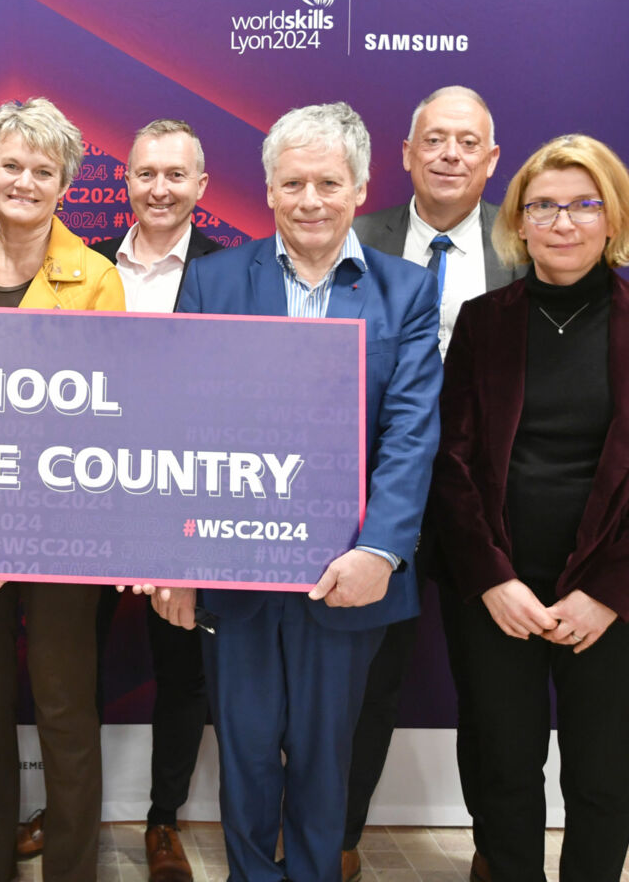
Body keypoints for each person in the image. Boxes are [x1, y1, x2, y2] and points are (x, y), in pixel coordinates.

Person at [163, 102, 441, 882]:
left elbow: (411, 435)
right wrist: (177, 560)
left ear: (359, 189)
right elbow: (182, 428)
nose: (310, 199)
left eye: (328, 182)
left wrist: (380, 550)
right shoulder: (215, 281)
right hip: (235, 571)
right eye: (293, 183)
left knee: (326, 759)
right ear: (269, 191)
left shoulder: (406, 292)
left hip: (349, 575)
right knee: (247, 752)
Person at [432, 134, 629, 882]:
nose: (563, 222)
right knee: (505, 771)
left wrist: (608, 594)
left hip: (609, 598)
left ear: (611, 218)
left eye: (584, 204)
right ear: (518, 221)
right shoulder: (485, 322)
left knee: (604, 776)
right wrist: (492, 579)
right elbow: (450, 465)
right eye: (544, 206)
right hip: (500, 589)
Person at [0, 96, 124, 882]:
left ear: (65, 186)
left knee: (63, 710)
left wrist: (28, 524)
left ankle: (72, 871)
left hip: (61, 528)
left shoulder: (100, 278)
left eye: (41, 170)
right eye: (10, 165)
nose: (23, 181)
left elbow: (103, 418)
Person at [345, 85, 522, 882]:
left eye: (467, 142)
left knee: (494, 693)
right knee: (362, 683)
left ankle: (499, 850)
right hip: (381, 497)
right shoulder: (354, 237)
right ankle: (338, 840)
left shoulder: (527, 243)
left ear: (492, 161)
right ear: (407, 153)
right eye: (435, 140)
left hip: (493, 507)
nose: (450, 153)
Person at [92, 119, 221, 882]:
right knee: (71, 663)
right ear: (127, 183)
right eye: (146, 174)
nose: (161, 189)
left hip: (182, 503)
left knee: (183, 669)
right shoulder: (81, 264)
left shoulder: (230, 272)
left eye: (177, 175)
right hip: (90, 500)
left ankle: (163, 820)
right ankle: (70, 804)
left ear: (202, 187)